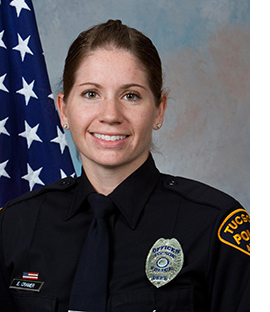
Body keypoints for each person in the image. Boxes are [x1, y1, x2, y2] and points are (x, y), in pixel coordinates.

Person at [0, 20, 249, 312]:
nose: (110, 115)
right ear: (64, 110)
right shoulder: (15, 225)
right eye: (91, 94)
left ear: (159, 110)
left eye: (130, 96)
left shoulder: (214, 226)